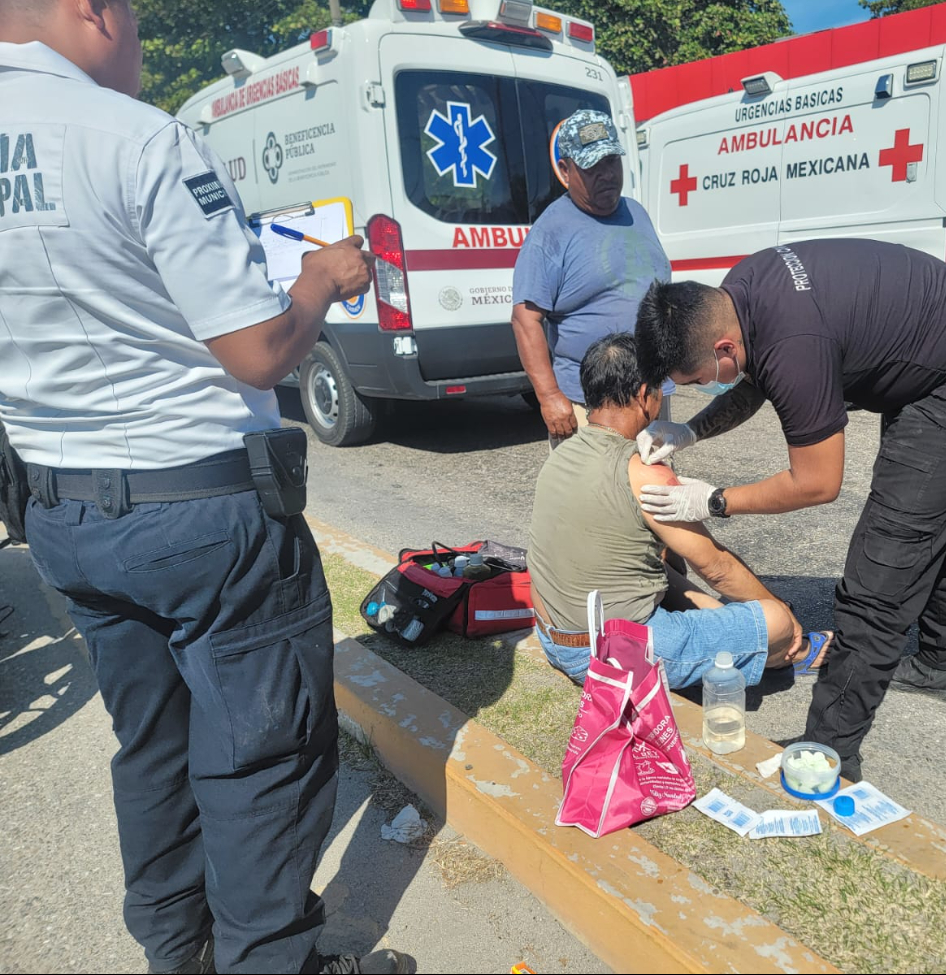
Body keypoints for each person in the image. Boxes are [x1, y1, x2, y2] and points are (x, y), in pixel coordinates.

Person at [0, 3, 410, 972]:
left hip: (61, 513)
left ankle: (175, 948)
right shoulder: (138, 138)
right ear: (93, 11)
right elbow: (258, 351)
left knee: (151, 743)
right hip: (201, 511)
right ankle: (269, 958)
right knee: (261, 757)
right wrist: (318, 279)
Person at [634, 239, 946, 779]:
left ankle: (829, 752)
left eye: (699, 379)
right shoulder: (743, 290)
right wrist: (690, 432)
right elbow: (756, 380)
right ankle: (940, 663)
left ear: (724, 346)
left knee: (883, 565)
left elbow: (817, 483)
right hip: (943, 364)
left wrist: (713, 499)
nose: (705, 387)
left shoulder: (795, 339)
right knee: (937, 523)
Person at [528, 334, 829, 688]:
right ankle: (791, 651)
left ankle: (741, 630)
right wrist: (783, 616)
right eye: (659, 389)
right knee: (775, 620)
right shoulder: (642, 470)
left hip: (555, 636)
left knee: (665, 566)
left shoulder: (564, 451)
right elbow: (715, 567)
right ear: (644, 394)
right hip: (610, 653)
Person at [511, 109, 673, 448]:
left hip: (650, 397)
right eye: (592, 167)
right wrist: (549, 396)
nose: (607, 175)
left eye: (612, 162)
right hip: (590, 406)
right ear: (567, 171)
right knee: (594, 499)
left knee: (653, 496)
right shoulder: (551, 231)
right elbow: (526, 320)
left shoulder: (636, 213)